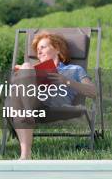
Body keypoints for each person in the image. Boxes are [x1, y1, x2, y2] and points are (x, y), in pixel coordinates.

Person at [11, 32, 97, 160]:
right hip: (33, 103)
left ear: (57, 49)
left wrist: (66, 81)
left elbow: (94, 92)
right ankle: (25, 155)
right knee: (26, 67)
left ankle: (28, 116)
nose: (39, 52)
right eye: (37, 49)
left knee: (18, 105)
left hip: (52, 106)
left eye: (43, 47)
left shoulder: (75, 69)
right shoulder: (32, 70)